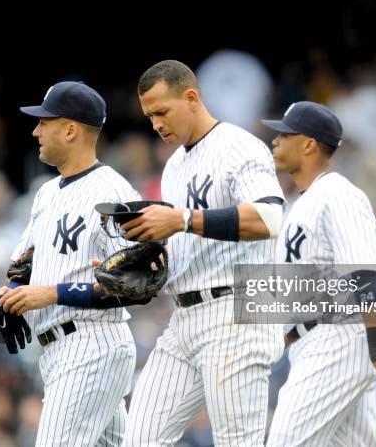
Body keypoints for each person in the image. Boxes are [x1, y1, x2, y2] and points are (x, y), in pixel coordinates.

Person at [121, 60, 286, 446]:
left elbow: (269, 217)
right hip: (185, 318)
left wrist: (180, 220)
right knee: (138, 439)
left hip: (236, 312)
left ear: (191, 97)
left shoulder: (238, 145)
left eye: (162, 111)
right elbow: (186, 238)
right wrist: (143, 263)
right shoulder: (174, 166)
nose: (156, 124)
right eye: (149, 116)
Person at [0, 81, 143, 446]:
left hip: (91, 344)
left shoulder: (112, 192)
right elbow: (24, 264)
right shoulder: (46, 192)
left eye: (45, 122)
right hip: (60, 351)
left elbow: (134, 283)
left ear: (70, 130)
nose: (36, 130)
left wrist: (48, 294)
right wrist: (8, 295)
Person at [262, 101, 376, 446]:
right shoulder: (298, 204)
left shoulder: (339, 194)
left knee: (283, 441)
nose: (274, 141)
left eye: (284, 134)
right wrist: (287, 336)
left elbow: (368, 275)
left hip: (337, 337)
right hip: (312, 341)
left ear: (308, 144)